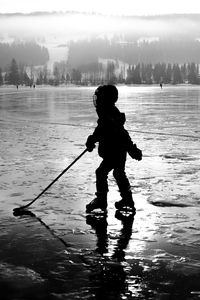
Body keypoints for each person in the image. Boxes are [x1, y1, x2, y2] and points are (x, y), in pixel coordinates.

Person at [85, 85, 142, 213]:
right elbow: (100, 131)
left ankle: (101, 200)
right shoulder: (106, 114)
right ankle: (127, 199)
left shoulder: (110, 116)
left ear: (106, 100)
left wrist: (132, 149)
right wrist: (92, 140)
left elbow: (121, 134)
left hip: (115, 152)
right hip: (116, 151)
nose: (97, 101)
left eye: (99, 99)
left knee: (102, 172)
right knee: (118, 173)